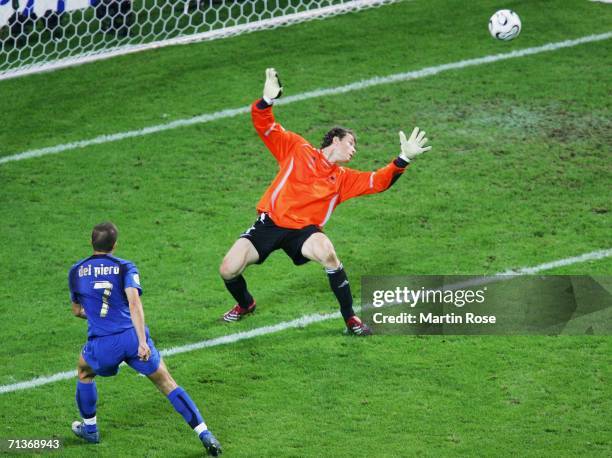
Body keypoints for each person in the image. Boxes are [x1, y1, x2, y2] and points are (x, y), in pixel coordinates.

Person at [219, 68, 432, 335]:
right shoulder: (297, 149)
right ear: (335, 139)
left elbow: (378, 181)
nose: (354, 151)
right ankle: (246, 304)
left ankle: (351, 319)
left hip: (303, 232)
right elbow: (265, 125)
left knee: (328, 254)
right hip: (270, 223)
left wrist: (404, 159)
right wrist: (267, 100)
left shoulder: (343, 179)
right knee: (228, 269)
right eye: (351, 144)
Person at [68, 222, 222, 456]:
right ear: (115, 245)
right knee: (167, 382)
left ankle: (90, 429)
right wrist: (142, 341)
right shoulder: (125, 267)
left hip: (103, 342)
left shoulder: (76, 271)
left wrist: (100, 315)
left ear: (91, 242)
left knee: (84, 372)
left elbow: (77, 311)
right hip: (132, 338)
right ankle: (204, 433)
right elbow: (134, 303)